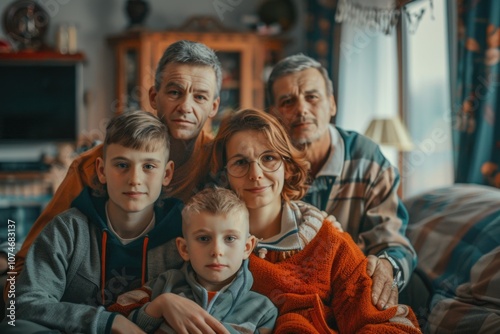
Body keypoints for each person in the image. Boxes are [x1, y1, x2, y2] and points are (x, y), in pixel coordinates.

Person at [147, 108, 421, 333]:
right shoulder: (203, 236)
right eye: (241, 162)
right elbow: (131, 303)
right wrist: (162, 302)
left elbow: (384, 324)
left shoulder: (328, 241)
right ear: (224, 174)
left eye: (269, 158)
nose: (256, 174)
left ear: (288, 166)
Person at [3, 40, 222, 302]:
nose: (186, 106)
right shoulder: (92, 167)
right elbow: (35, 253)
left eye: (200, 96)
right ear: (154, 97)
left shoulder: (222, 164)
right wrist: (15, 300)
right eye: (175, 92)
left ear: (214, 107)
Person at [0, 110, 186, 333]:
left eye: (149, 166)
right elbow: (24, 303)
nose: (135, 179)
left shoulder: (183, 236)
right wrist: (108, 322)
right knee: (14, 328)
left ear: (167, 174)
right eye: (121, 165)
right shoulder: (68, 229)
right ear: (101, 170)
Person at [266, 54, 420, 310]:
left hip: (353, 287)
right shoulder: (264, 164)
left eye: (312, 97)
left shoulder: (367, 158)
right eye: (287, 101)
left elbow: (393, 242)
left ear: (332, 104)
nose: (301, 109)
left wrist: (386, 266)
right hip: (288, 294)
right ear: (273, 114)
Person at [110, 187, 277, 334]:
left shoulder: (263, 310)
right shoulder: (163, 285)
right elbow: (115, 319)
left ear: (247, 247)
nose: (217, 251)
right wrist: (158, 307)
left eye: (230, 238)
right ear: (184, 249)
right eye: (204, 238)